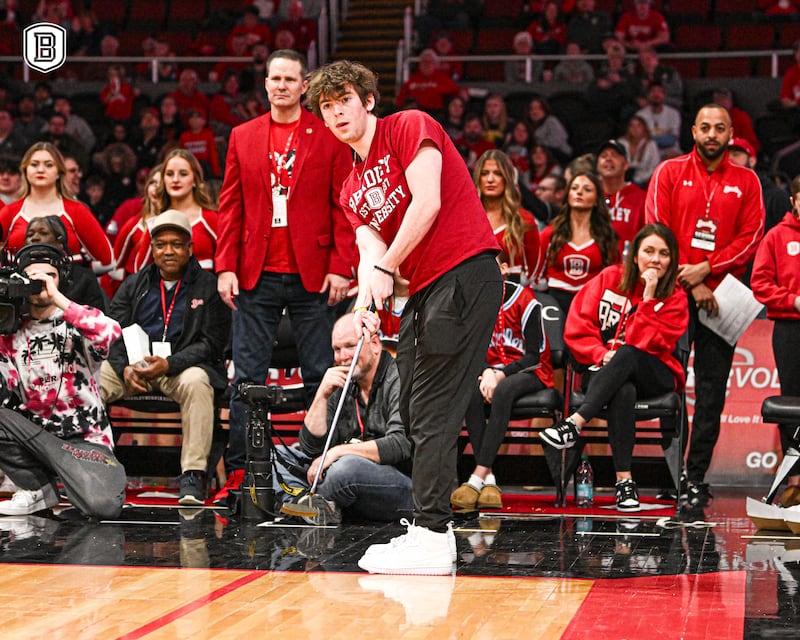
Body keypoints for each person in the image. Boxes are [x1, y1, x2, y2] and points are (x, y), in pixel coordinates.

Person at [306, 59, 503, 575]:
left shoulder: (408, 127)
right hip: (423, 292)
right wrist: (366, 307)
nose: (336, 112)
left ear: (367, 100)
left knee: (435, 410)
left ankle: (435, 535)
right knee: (416, 414)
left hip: (464, 273)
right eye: (327, 108)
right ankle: (426, 527)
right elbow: (370, 253)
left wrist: (387, 266)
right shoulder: (350, 188)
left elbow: (428, 203)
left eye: (343, 100)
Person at [215, 49, 355, 503]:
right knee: (246, 378)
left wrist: (341, 266)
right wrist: (225, 266)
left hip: (313, 272)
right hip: (255, 270)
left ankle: (325, 465)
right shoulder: (243, 135)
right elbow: (230, 205)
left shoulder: (329, 135)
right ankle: (241, 473)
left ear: (303, 85)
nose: (280, 86)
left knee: (321, 374)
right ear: (267, 84)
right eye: (274, 78)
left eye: (289, 79)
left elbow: (343, 205)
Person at [645, 103, 765, 506]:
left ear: (731, 134)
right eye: (705, 127)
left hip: (724, 296)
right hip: (674, 293)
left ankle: (695, 477)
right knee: (669, 385)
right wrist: (691, 278)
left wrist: (708, 268)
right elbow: (658, 229)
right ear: (693, 131)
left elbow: (751, 237)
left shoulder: (747, 181)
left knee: (712, 392)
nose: (712, 134)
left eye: (720, 128)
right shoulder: (669, 172)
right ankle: (672, 475)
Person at [540, 223, 688, 511]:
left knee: (629, 353)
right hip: (604, 370)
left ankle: (575, 423)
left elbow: (643, 343)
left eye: (663, 253)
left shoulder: (676, 299)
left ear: (672, 260)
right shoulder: (609, 278)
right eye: (649, 251)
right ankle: (624, 483)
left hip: (655, 373)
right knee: (623, 388)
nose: (655, 259)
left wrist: (649, 294)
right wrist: (599, 353)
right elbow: (577, 326)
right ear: (634, 256)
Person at [100, 210, 231, 505]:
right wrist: (124, 369)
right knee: (91, 381)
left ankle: (192, 474)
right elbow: (111, 331)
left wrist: (170, 364)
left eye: (175, 244)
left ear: (189, 248)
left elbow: (212, 344)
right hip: (136, 370)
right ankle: (91, 464)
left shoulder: (208, 286)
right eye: (160, 244)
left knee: (198, 382)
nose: (168, 251)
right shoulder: (135, 284)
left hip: (180, 369)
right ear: (152, 249)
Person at [0, 243, 125, 518]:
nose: (41, 282)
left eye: (50, 275)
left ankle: (71, 481)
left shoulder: (78, 323)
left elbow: (110, 332)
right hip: (35, 439)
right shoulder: (9, 333)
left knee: (102, 506)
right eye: (33, 276)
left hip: (84, 441)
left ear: (62, 281)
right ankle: (36, 488)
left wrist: (58, 298)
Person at [272, 313, 413, 523]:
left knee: (346, 468)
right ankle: (311, 504)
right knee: (274, 456)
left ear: (375, 344)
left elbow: (400, 444)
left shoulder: (400, 377)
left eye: (350, 346)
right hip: (346, 479)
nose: (343, 356)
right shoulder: (342, 380)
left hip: (403, 484)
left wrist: (337, 452)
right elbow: (312, 450)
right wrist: (322, 395)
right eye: (337, 349)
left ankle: (308, 505)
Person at [451, 256, 553, 511]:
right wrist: (486, 372)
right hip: (489, 374)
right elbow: (469, 350)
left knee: (504, 391)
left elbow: (535, 355)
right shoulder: (473, 302)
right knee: (469, 394)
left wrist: (499, 375)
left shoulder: (526, 300)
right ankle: (490, 480)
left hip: (531, 372)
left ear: (505, 269)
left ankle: (476, 477)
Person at [750, 175, 800, 505]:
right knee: (793, 402)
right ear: (794, 200)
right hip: (790, 329)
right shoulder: (777, 236)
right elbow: (761, 283)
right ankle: (795, 481)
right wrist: (793, 300)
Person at [0, 143, 114, 273]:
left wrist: (79, 272)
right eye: (34, 164)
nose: (41, 170)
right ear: (25, 170)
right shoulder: (10, 212)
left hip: (68, 291)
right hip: (19, 290)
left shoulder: (77, 210)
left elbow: (107, 260)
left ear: (59, 171)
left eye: (48, 165)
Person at [537, 171, 619, 314]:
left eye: (587, 189)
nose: (579, 192)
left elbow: (613, 277)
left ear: (596, 199)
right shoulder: (550, 234)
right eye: (574, 188)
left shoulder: (607, 237)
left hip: (592, 304)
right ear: (567, 194)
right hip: (554, 305)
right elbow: (536, 274)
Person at [136, 149, 219, 271]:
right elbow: (141, 271)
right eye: (169, 174)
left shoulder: (210, 218)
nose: (175, 180)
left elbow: (229, 264)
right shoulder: (157, 221)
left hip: (206, 288)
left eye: (183, 174)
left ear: (195, 180)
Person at [474, 149, 541, 284]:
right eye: (484, 173)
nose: (490, 179)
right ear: (478, 178)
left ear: (507, 178)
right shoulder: (468, 218)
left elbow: (534, 271)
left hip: (514, 293)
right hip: (474, 291)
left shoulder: (524, 220)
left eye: (498, 174)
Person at [24, 216, 106, 311]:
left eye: (43, 233)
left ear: (60, 243)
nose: (35, 238)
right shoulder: (16, 277)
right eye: (30, 235)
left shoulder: (84, 278)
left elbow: (96, 320)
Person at [727, 137, 791, 233]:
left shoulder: (775, 196)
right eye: (725, 156)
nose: (729, 160)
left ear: (752, 161)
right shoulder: (714, 193)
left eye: (736, 155)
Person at [596, 139, 645, 259]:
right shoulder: (590, 194)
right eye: (603, 156)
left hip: (624, 268)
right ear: (597, 165)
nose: (608, 159)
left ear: (626, 165)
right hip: (592, 267)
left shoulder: (641, 198)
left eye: (614, 155)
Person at [394, 49, 464, 117]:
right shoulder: (412, 79)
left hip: (436, 114)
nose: (426, 64)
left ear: (436, 64)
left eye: (429, 62)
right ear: (419, 64)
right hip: (414, 114)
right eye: (424, 62)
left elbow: (455, 92)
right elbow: (400, 99)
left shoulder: (442, 78)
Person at [635, 84, 682, 160]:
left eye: (659, 92)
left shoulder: (673, 113)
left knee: (671, 156)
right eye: (653, 91)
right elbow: (639, 139)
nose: (656, 94)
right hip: (647, 150)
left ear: (664, 95)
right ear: (647, 95)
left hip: (669, 149)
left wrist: (650, 138)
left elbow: (671, 139)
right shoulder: (640, 115)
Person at [617, 114, 660, 188]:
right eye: (632, 126)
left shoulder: (651, 145)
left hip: (643, 180)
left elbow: (654, 166)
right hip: (623, 179)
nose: (635, 129)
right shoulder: (621, 143)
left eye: (638, 126)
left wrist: (639, 179)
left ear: (644, 128)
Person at [525, 97, 572, 163]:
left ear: (545, 110)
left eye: (539, 108)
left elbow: (557, 141)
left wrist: (537, 143)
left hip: (559, 155)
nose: (535, 111)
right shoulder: (528, 126)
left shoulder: (551, 121)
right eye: (532, 109)